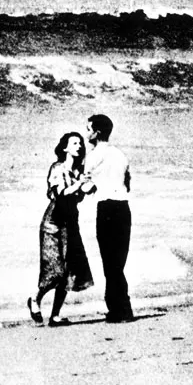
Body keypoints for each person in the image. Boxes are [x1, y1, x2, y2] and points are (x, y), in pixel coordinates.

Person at [28, 132, 94, 327]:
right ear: (64, 148)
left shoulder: (79, 171)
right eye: (74, 143)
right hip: (53, 224)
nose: (79, 146)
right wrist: (81, 185)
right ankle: (35, 298)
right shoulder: (57, 168)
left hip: (70, 224)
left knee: (68, 273)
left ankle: (55, 315)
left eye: (80, 143)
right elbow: (60, 194)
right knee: (55, 271)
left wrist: (87, 187)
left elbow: (79, 196)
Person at [84, 114, 135, 323]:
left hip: (106, 208)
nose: (87, 133)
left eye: (88, 129)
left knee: (109, 262)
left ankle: (118, 309)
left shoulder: (94, 155)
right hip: (123, 207)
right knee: (118, 262)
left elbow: (86, 185)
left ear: (96, 132)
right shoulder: (120, 154)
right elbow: (128, 182)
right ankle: (122, 307)